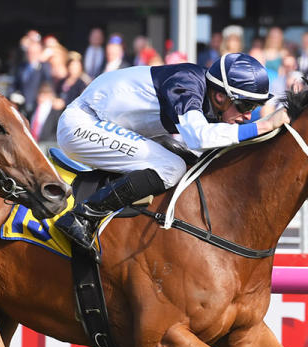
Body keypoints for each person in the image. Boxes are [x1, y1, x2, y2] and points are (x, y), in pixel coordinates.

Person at [54, 52, 290, 254]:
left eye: (254, 108)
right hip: (82, 125)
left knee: (186, 162)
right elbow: (198, 138)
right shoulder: (185, 84)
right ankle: (85, 215)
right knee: (171, 167)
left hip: (112, 123)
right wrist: (263, 126)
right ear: (220, 96)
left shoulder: (208, 95)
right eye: (245, 106)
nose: (248, 116)